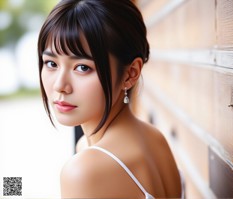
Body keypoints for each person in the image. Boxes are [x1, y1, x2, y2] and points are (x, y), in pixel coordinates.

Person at [37, 0, 184, 198]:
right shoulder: (153, 138)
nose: (59, 85)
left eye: (82, 67)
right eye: (51, 63)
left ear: (130, 74)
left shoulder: (85, 170)